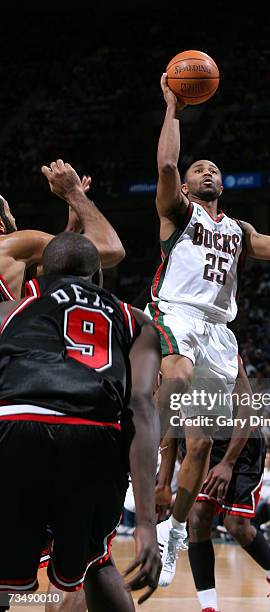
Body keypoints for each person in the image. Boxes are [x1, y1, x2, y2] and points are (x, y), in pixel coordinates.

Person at [149, 72, 270, 586]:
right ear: (187, 185)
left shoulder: (237, 230)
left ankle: (171, 532)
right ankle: (147, 455)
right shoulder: (177, 212)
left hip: (218, 331)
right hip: (177, 314)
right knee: (178, 376)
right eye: (199, 169)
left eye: (214, 168)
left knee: (202, 447)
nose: (207, 171)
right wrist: (173, 108)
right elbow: (167, 162)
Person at [0, 233, 161, 612]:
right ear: (97, 276)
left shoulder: (11, 310)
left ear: (40, 271)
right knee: (95, 561)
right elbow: (140, 408)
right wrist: (147, 524)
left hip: (16, 425)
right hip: (96, 436)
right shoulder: (137, 321)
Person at [156, 358, 270, 611]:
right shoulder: (168, 358)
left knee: (236, 525)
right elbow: (171, 427)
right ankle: (209, 607)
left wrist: (228, 463)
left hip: (240, 444)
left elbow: (248, 410)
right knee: (197, 517)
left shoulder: (224, 349)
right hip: (200, 443)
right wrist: (163, 483)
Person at [0, 159, 124, 301]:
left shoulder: (17, 267)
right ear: (1, 224)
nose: (15, 219)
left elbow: (60, 262)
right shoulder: (9, 245)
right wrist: (74, 193)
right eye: (10, 214)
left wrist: (71, 231)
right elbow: (111, 248)